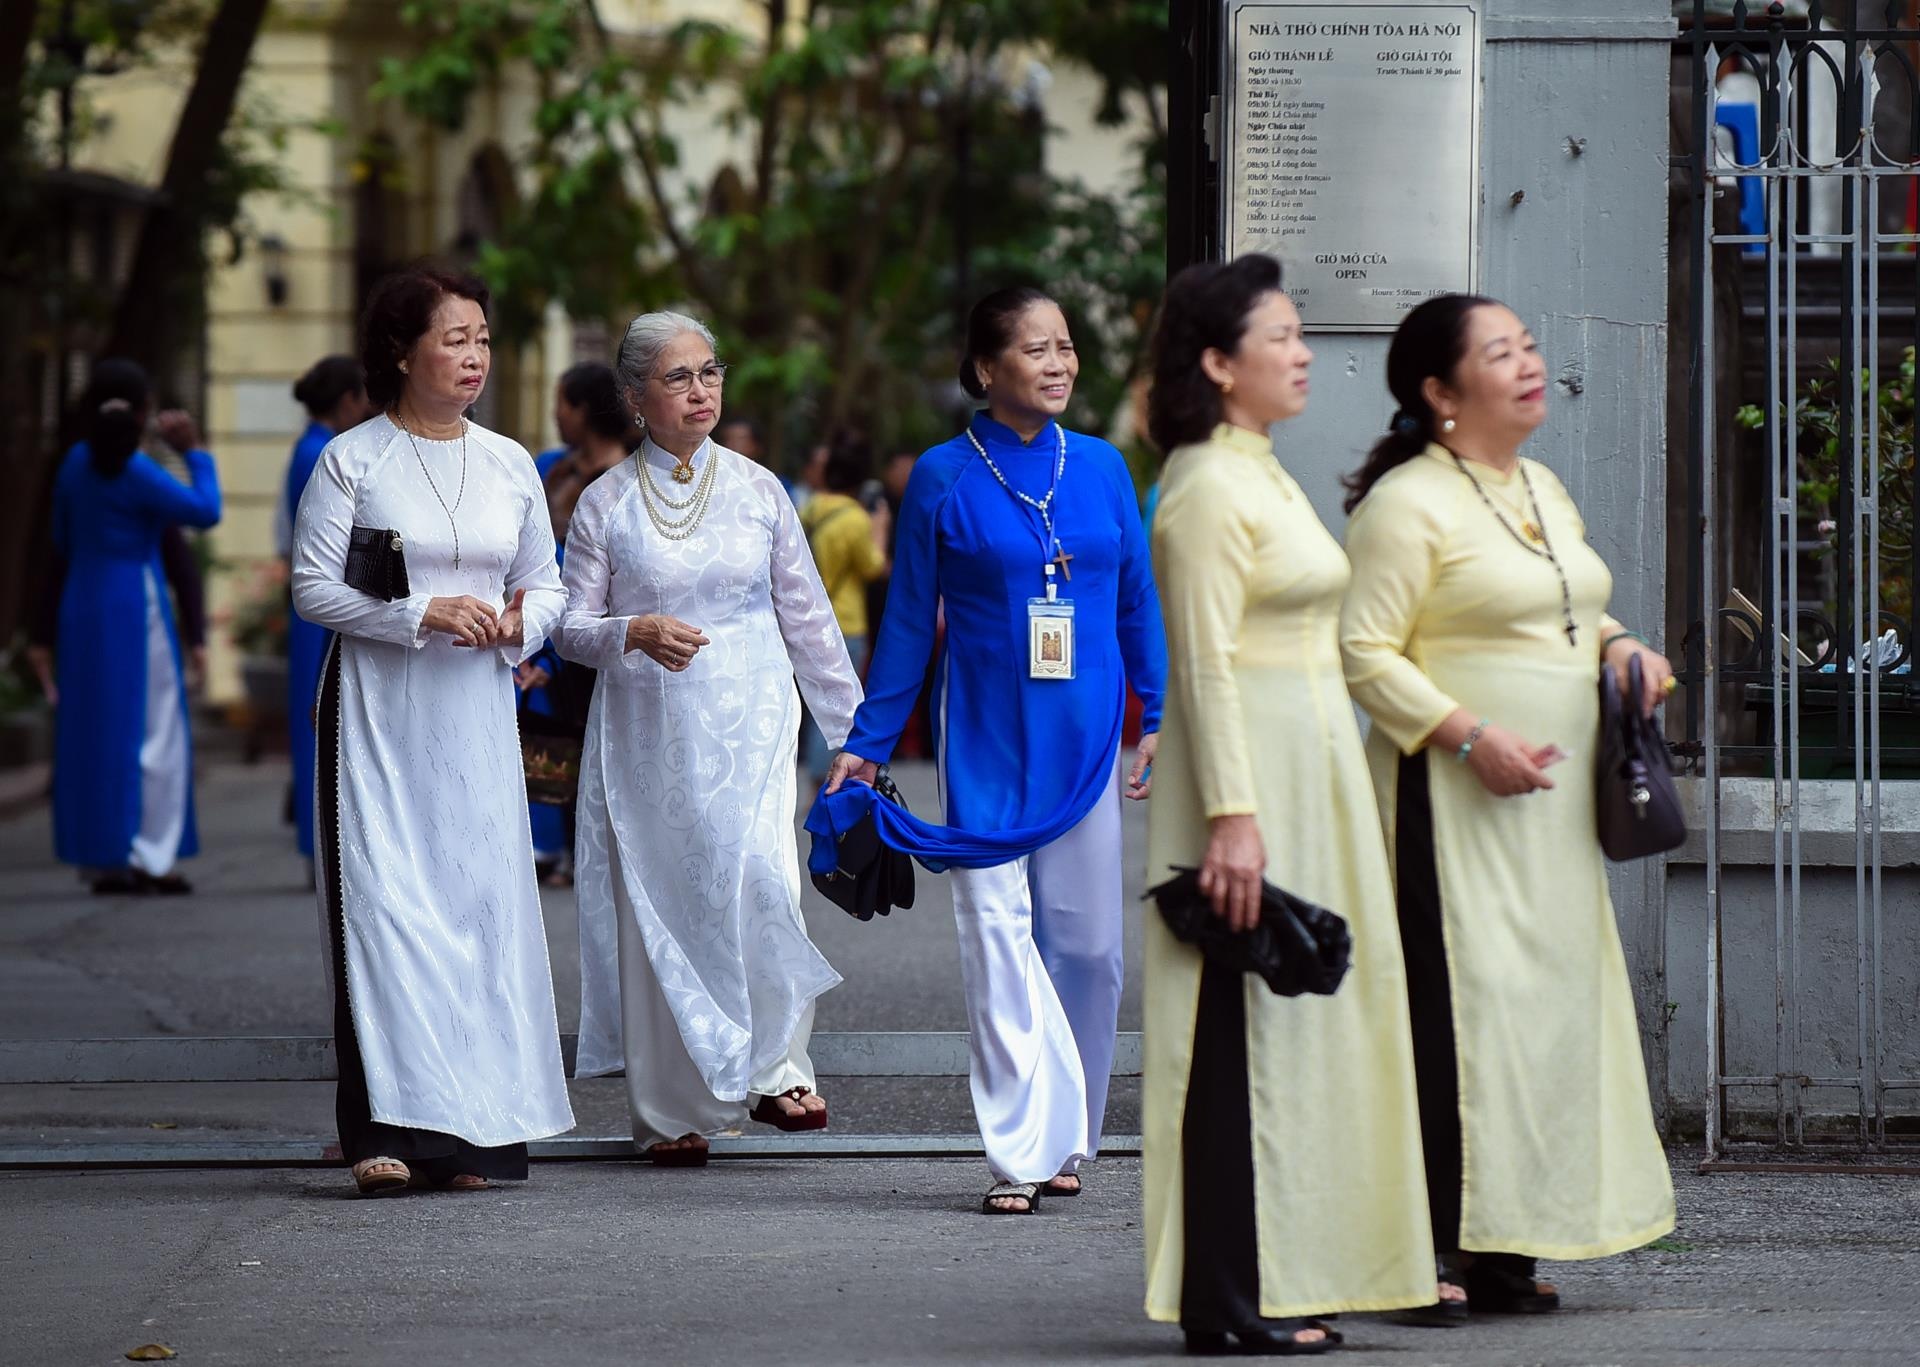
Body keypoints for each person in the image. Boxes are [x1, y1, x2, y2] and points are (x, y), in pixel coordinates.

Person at [1338, 294, 1677, 1316]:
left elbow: (1572, 605)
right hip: (1448, 802)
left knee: (1537, 1018)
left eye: (1529, 345)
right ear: (1440, 391)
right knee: (1450, 1014)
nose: (1530, 363)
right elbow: (1363, 652)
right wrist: (1469, 736)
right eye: (1501, 352)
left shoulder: (1541, 485)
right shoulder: (1406, 503)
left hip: (1550, 814)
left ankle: (1501, 1243)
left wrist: (1623, 647)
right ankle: (1416, 1250)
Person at [1140, 256, 1436, 1356]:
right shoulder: (1206, 486)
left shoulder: (1260, 471)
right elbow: (1204, 665)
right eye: (1283, 336)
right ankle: (1225, 1294)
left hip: (1307, 778)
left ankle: (1286, 1266)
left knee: (1290, 1025)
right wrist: (1231, 813)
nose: (1305, 353)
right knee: (1233, 1027)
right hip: (1252, 784)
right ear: (1220, 364)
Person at [817, 286, 1167, 1214]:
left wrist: (1160, 712)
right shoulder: (942, 475)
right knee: (1000, 934)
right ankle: (1021, 1149)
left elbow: (1137, 597)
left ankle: (1070, 1129)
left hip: (1085, 736)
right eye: (1036, 348)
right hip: (983, 734)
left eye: (1066, 347)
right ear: (985, 367)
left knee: (1089, 947)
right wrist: (866, 744)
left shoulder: (1102, 467)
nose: (1059, 363)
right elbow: (905, 623)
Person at [291, 264, 573, 1194]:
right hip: (377, 713)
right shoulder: (353, 460)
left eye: (483, 338)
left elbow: (548, 584)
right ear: (401, 351)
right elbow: (313, 588)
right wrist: (421, 612)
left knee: (478, 906)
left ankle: (473, 1135)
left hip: (476, 715)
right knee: (384, 909)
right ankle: (382, 1129)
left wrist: (520, 623)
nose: (475, 355)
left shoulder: (509, 463)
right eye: (455, 339)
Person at [557, 310, 862, 1165]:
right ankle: (671, 1111)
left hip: (755, 726)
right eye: (678, 377)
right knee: (664, 903)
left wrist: (854, 734)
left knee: (765, 883)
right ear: (634, 397)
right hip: (650, 733)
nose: (701, 390)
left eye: (709, 371)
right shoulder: (606, 503)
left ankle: (777, 1069)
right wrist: (632, 631)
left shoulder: (761, 491)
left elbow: (811, 622)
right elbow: (567, 628)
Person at [45, 360, 221, 895]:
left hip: (82, 601)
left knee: (93, 731)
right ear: (143, 411)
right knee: (154, 731)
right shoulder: (136, 469)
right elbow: (204, 511)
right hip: (134, 604)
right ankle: (149, 853)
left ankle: (102, 855)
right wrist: (194, 452)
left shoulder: (74, 462)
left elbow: (60, 538)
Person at [518, 362, 637, 884]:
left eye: (561, 403)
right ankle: (558, 845)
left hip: (609, 628)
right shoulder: (550, 469)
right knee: (556, 739)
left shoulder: (632, 477)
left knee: (600, 740)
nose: (555, 414)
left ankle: (605, 849)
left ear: (584, 411)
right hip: (547, 624)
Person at [285, 356, 372, 868]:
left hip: (319, 602)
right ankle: (320, 842)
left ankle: (316, 841)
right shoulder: (327, 454)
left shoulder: (309, 447)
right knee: (321, 720)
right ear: (347, 401)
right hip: (327, 601)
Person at [798, 430, 891, 779]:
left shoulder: (809, 509)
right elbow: (873, 567)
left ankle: (815, 780)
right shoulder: (855, 519)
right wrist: (880, 529)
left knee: (814, 704)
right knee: (839, 707)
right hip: (845, 623)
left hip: (807, 618)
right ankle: (825, 782)